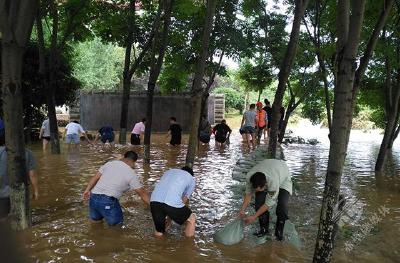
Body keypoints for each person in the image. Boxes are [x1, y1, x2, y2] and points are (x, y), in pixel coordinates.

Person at [83, 151, 150, 226]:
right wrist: (153, 206)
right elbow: (142, 193)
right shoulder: (131, 173)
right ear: (133, 161)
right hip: (108, 201)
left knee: (95, 224)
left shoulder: (109, 164)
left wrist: (87, 190)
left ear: (124, 157)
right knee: (116, 228)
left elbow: (95, 177)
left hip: (93, 197)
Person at [238, 159, 292, 241]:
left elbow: (268, 203)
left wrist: (254, 217)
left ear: (265, 185)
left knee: (282, 206)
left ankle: (279, 232)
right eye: (256, 190)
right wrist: (242, 210)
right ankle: (264, 230)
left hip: (283, 175)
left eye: (260, 190)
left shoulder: (273, 182)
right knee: (259, 203)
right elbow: (248, 194)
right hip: (269, 167)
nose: (257, 191)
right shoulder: (250, 178)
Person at [0, 134, 39, 218]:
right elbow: (32, 175)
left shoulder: (0, 151)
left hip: (2, 194)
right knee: (21, 218)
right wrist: (35, 191)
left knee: (3, 218)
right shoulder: (28, 153)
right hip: (20, 193)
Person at [150, 167, 196, 237]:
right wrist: (171, 216)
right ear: (191, 175)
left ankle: (157, 246)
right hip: (171, 203)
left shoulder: (169, 171)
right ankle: (188, 245)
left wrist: (170, 217)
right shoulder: (191, 179)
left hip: (154, 201)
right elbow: (184, 200)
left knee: (159, 230)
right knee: (191, 219)